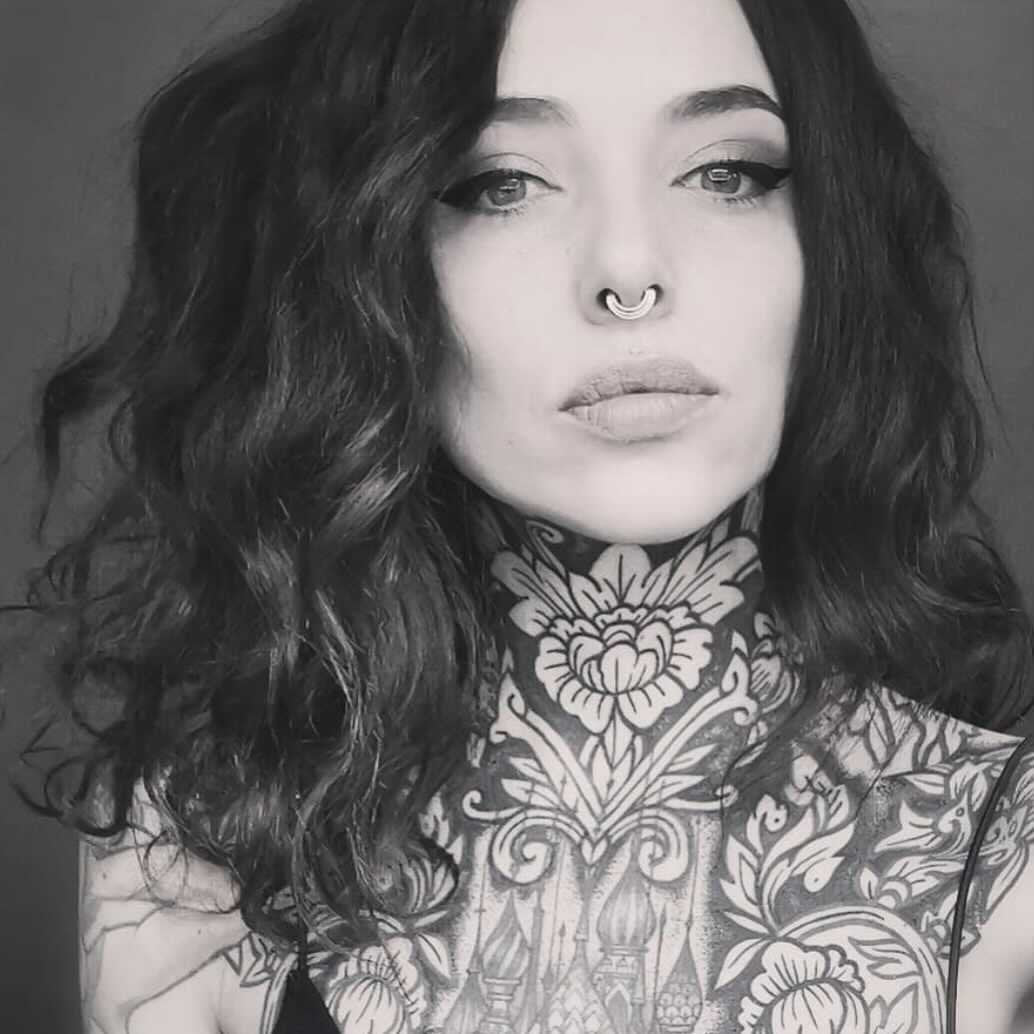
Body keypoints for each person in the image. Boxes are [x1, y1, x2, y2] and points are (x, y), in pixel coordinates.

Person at [6, 0, 1033, 1031]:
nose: (628, 271)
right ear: (362, 261)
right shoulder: (203, 852)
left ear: (836, 233)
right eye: (501, 183)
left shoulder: (1008, 862)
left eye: (727, 172)